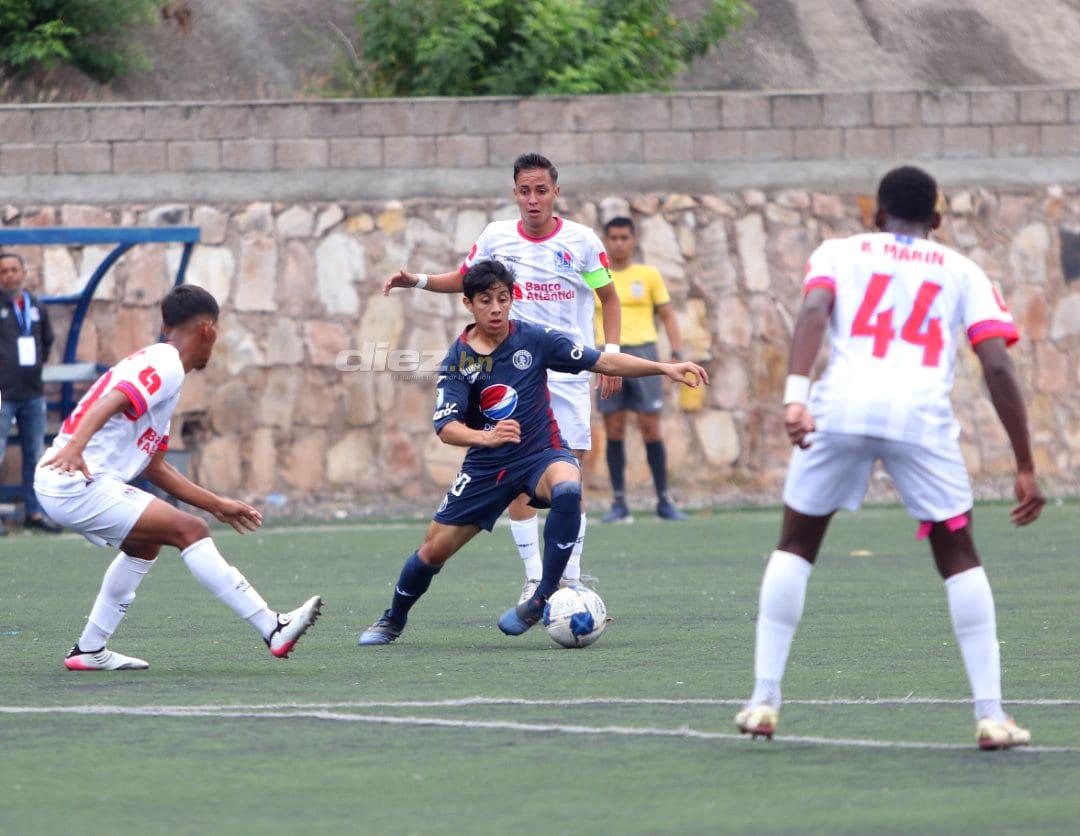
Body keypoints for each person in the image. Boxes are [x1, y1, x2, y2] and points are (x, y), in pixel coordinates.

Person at [734, 166, 1046, 750]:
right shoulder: (963, 269)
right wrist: (1025, 464)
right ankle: (991, 714)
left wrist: (795, 397)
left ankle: (763, 700)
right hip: (919, 422)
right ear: (936, 220)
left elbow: (812, 314)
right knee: (958, 554)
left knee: (796, 544)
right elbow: (998, 364)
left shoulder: (840, 251)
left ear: (876, 215)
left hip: (839, 411)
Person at [359, 260, 706, 646]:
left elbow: (602, 360)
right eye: (486, 300)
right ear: (468, 304)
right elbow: (446, 428)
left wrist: (664, 367)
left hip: (541, 453)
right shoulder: (459, 360)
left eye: (503, 299)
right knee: (432, 551)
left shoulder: (536, 339)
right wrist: (486, 438)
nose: (495, 308)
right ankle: (392, 620)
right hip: (487, 467)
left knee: (569, 485)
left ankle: (542, 596)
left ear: (512, 300)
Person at [34, 285, 322, 671]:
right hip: (74, 481)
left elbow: (155, 467)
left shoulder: (165, 371)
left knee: (145, 545)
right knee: (190, 530)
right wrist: (75, 448)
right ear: (208, 330)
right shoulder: (166, 363)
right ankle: (273, 627)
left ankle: (89, 649)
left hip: (70, 481)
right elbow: (114, 399)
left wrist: (217, 504)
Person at [383, 152, 621, 604]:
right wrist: (417, 281)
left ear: (556, 192)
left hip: (567, 369)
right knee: (519, 472)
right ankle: (535, 579)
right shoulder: (496, 236)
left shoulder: (582, 241)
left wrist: (609, 354)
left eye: (542, 190)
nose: (533, 200)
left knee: (568, 474)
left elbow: (608, 297)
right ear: (515, 193)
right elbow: (466, 279)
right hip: (513, 370)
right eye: (525, 191)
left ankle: (568, 578)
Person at [594, 217, 687, 522]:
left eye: (624, 237)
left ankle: (663, 500)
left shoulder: (648, 275)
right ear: (606, 241)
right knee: (614, 428)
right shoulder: (597, 275)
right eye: (614, 238)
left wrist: (675, 353)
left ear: (633, 240)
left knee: (651, 427)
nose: (619, 243)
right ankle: (619, 503)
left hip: (644, 354)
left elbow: (668, 316)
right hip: (608, 356)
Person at [0, 252, 60, 531]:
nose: (10, 275)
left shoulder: (35, 305)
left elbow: (47, 340)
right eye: (4, 271)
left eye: (14, 269)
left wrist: (34, 366)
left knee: (35, 455)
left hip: (32, 393)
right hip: (3, 393)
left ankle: (34, 513)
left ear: (23, 272)